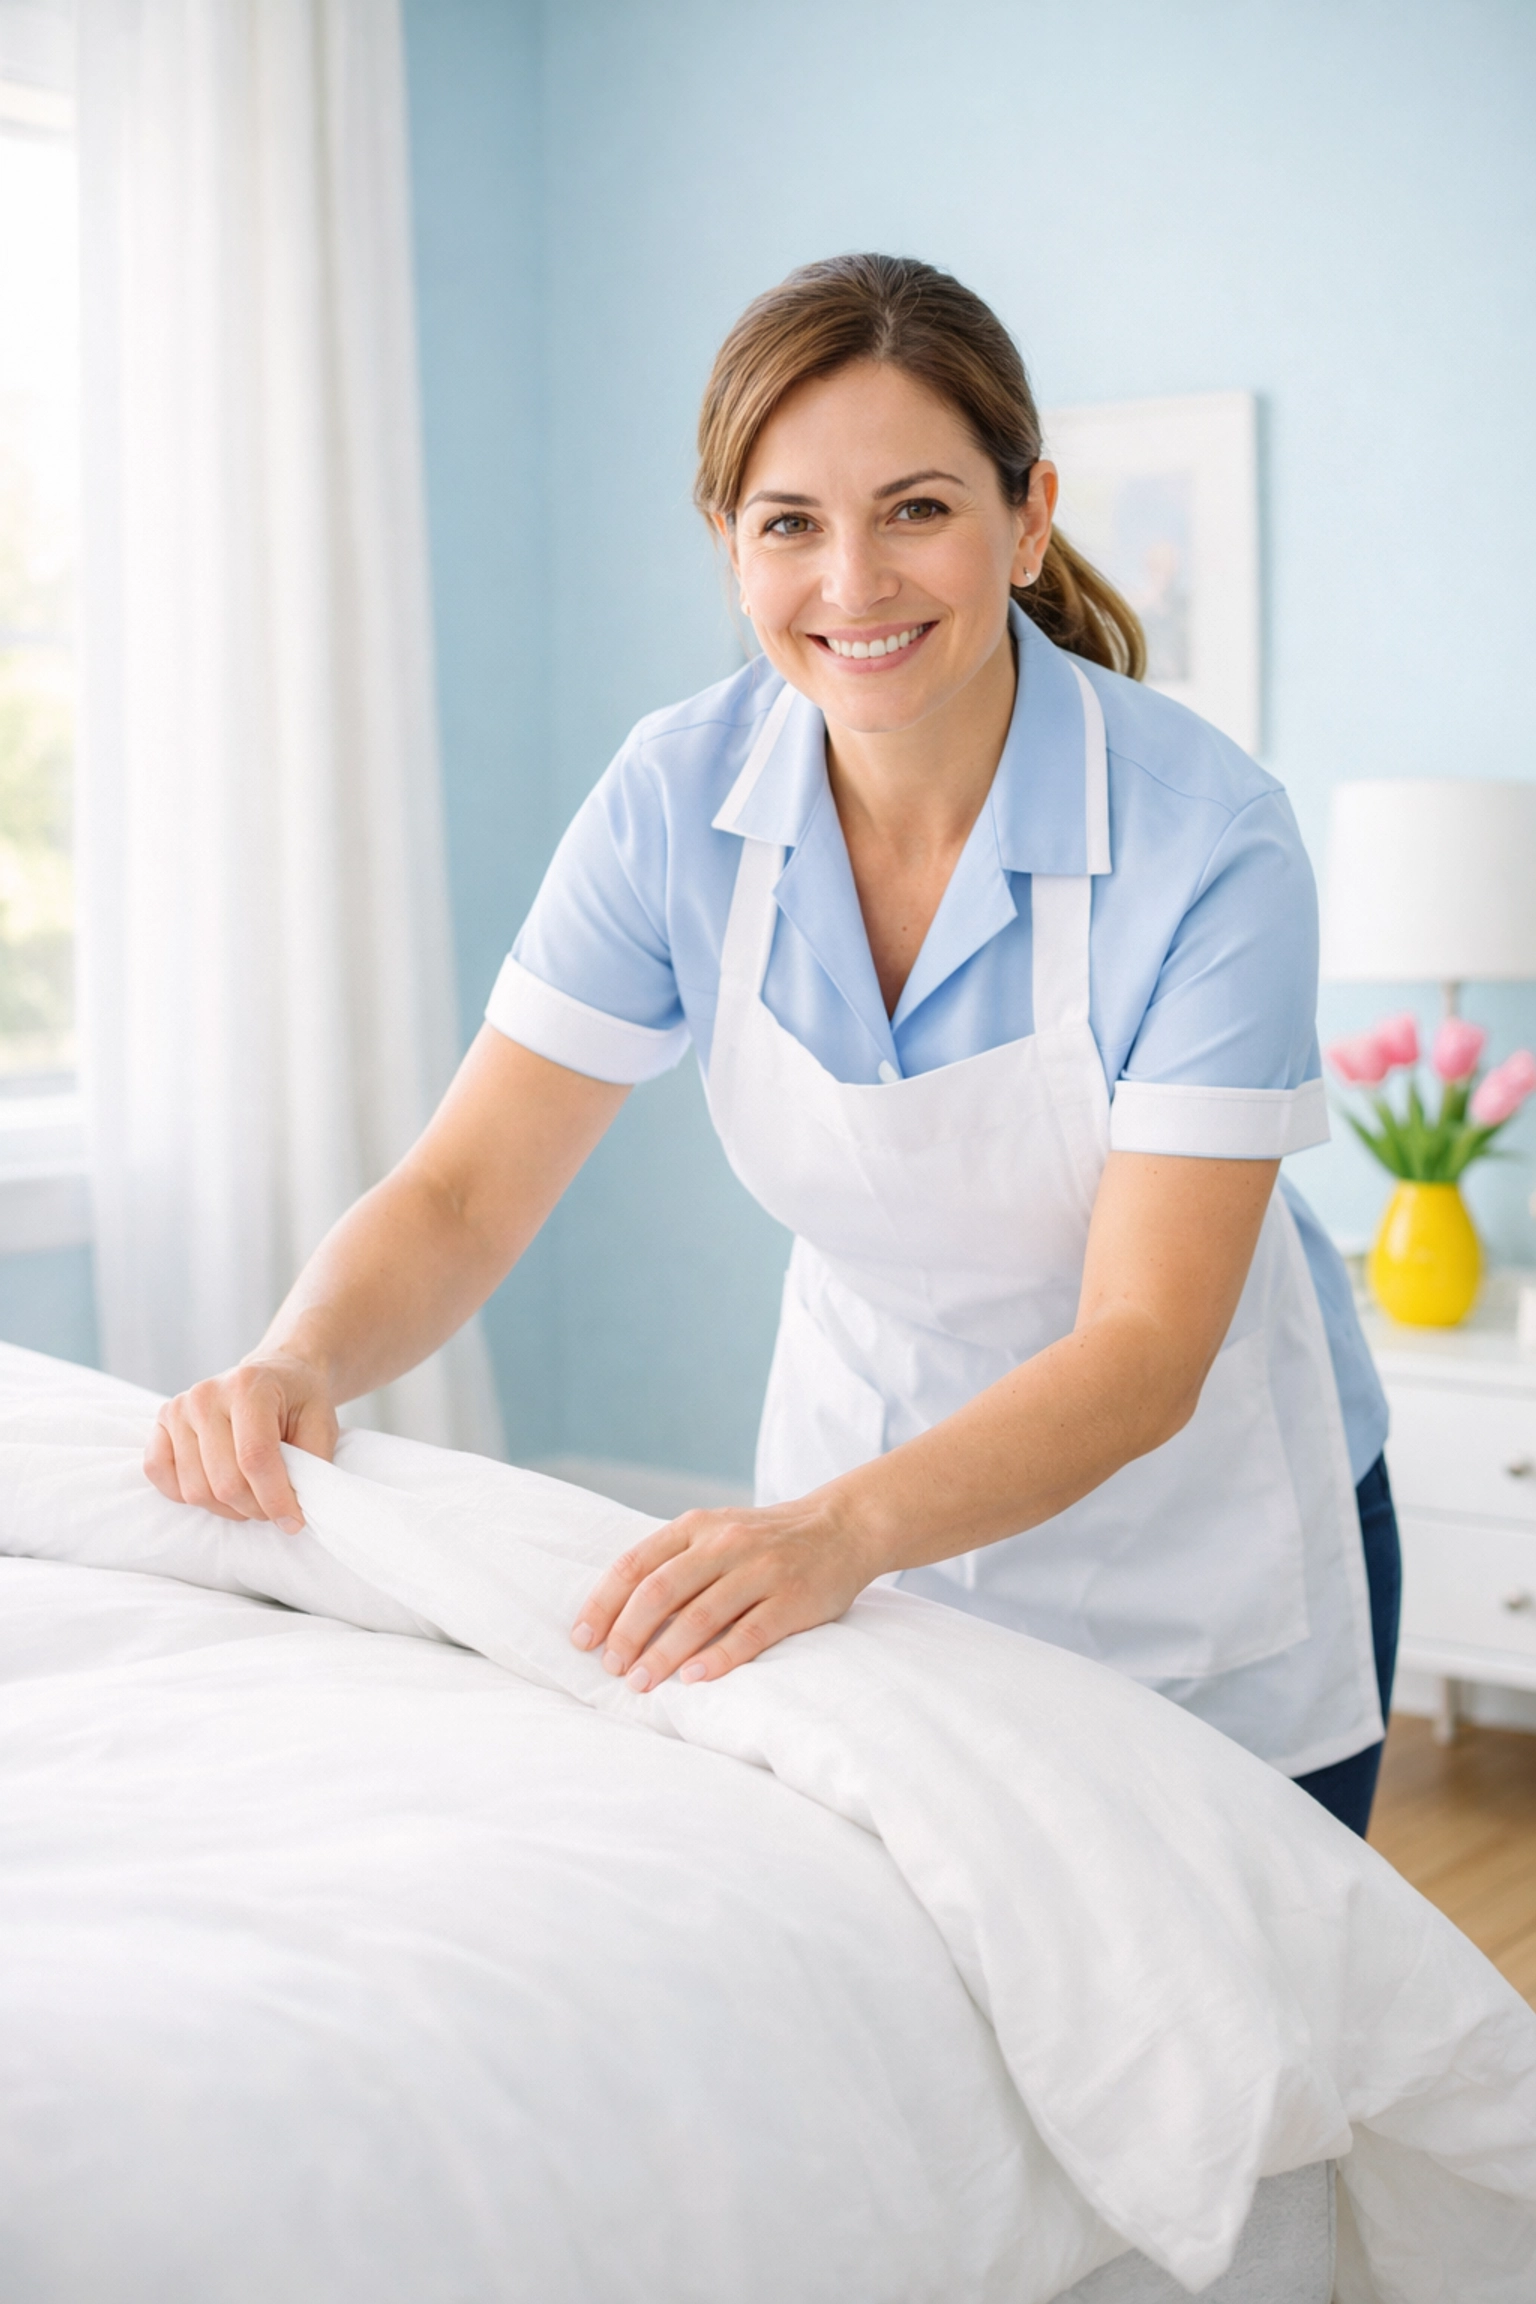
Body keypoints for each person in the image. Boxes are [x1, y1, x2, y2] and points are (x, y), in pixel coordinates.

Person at [148, 255, 1399, 1835]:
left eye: (919, 509)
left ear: (1027, 521)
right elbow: (469, 1192)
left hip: (1196, 1543)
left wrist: (836, 1533)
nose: (853, 582)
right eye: (790, 522)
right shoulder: (675, 799)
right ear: (730, 548)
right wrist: (294, 1359)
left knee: (1232, 2045)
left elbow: (1148, 1341)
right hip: (846, 1522)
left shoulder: (1206, 840)